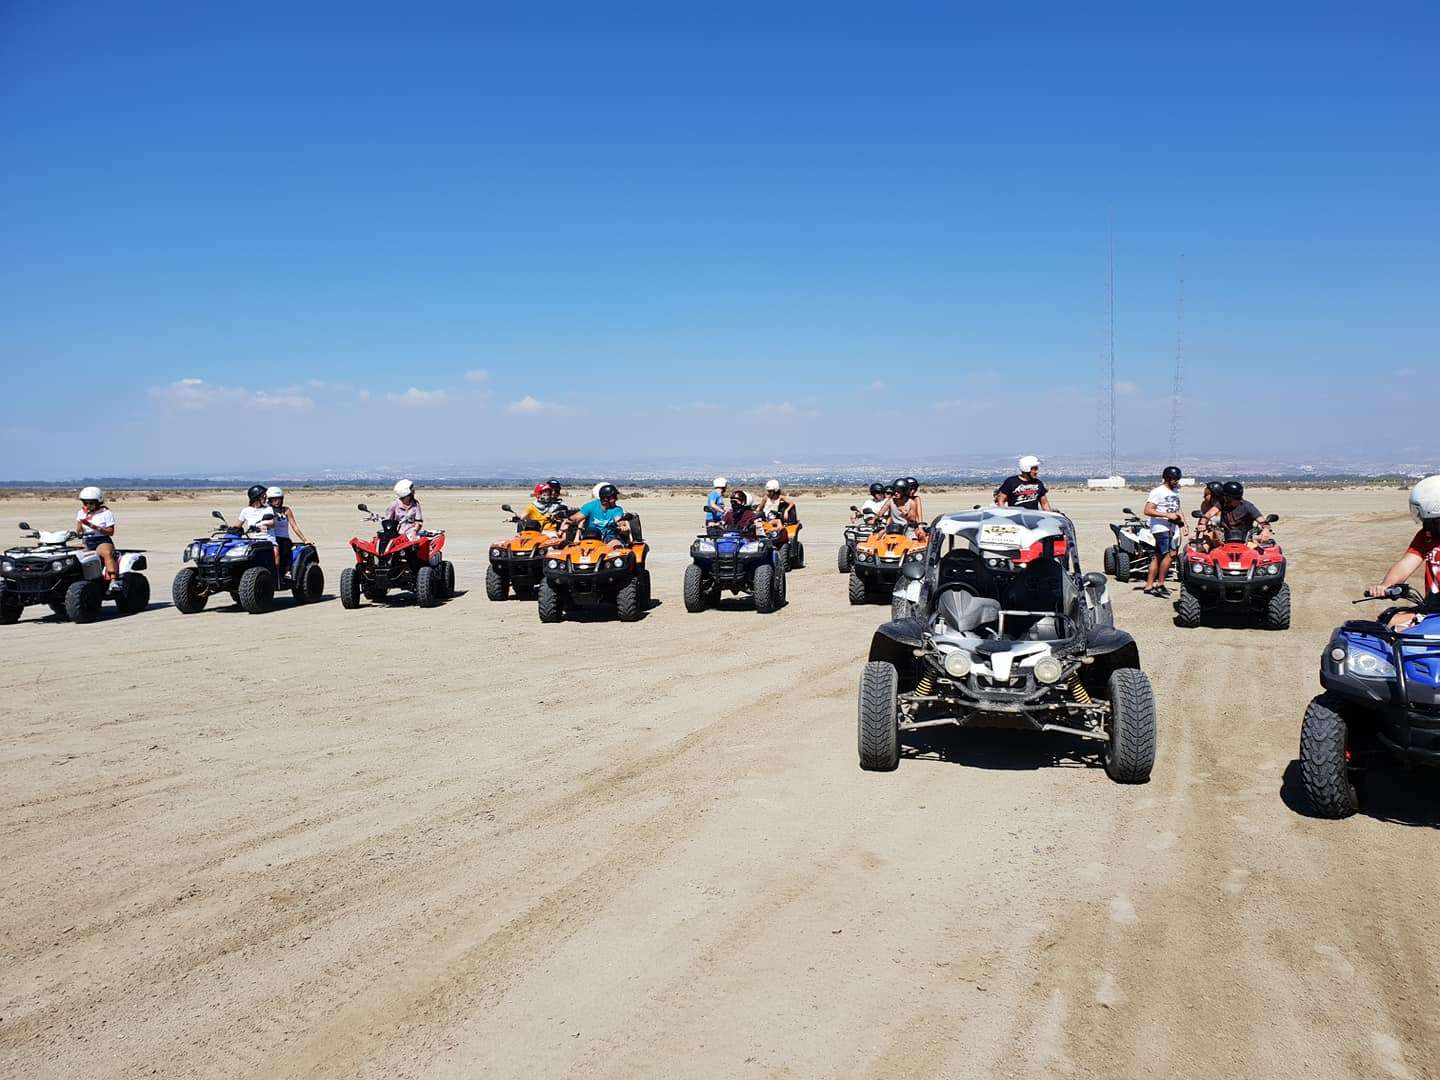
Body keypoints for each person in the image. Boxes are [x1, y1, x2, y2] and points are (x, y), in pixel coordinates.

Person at [1366, 475, 1440, 629]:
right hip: (1433, 608)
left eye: (1425, 517)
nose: (1421, 520)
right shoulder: (1426, 536)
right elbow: (1406, 564)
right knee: (1388, 622)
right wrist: (1386, 586)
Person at [1141, 466, 1186, 597]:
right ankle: (1160, 584)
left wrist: (1184, 523)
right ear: (1167, 479)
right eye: (1174, 479)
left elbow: (1177, 508)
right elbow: (1148, 510)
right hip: (1161, 528)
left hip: (1173, 527)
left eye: (1178, 479)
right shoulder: (1158, 491)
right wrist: (1166, 515)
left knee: (1159, 556)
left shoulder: (1175, 491)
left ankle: (1149, 585)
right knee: (1169, 554)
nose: (1176, 482)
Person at [1201, 480, 1270, 549]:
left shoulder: (1248, 506)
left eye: (1225, 496)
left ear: (1230, 497)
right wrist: (1202, 523)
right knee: (1206, 546)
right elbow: (1210, 513)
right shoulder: (1222, 503)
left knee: (1258, 552)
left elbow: (1262, 521)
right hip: (1224, 539)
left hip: (1245, 540)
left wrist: (1265, 530)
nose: (1223, 498)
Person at [265, 487, 311, 578]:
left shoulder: (286, 510)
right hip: (270, 538)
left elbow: (294, 526)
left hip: (283, 538)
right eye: (274, 499)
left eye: (279, 499)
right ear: (269, 500)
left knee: (285, 547)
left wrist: (305, 540)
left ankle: (286, 571)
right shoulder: (266, 510)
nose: (277, 501)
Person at [75, 486, 118, 581]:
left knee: (106, 553)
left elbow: (111, 532)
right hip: (87, 541)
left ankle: (113, 579)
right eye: (85, 502)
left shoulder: (106, 513)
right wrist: (79, 531)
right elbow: (79, 529)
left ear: (98, 502)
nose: (87, 505)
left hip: (102, 541)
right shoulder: (81, 513)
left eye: (91, 503)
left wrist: (94, 527)